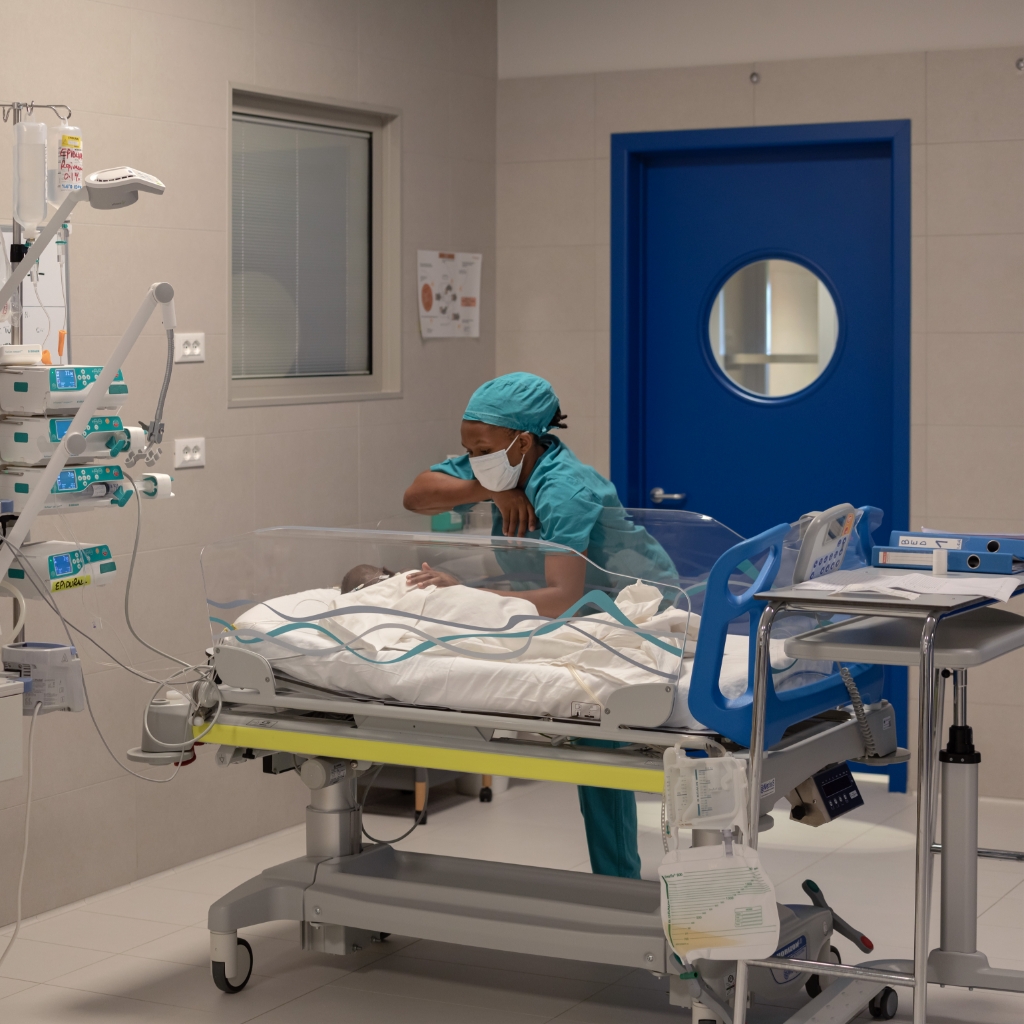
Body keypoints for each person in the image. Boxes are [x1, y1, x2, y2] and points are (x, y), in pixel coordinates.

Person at [403, 372, 678, 879]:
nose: (471, 454)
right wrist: (486, 489)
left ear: (523, 440)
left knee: (601, 743)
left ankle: (617, 888)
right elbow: (416, 496)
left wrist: (460, 592)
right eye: (466, 447)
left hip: (626, 614)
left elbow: (562, 596)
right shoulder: (501, 467)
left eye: (481, 447)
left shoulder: (563, 488)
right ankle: (616, 886)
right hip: (565, 613)